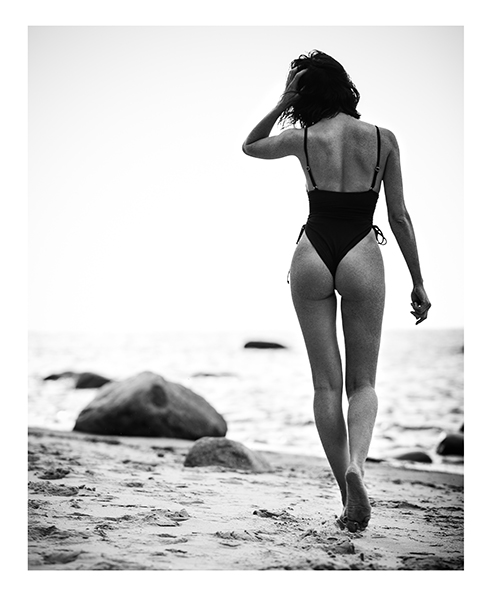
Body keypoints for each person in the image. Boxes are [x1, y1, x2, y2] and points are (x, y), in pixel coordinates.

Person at [242, 50, 431, 533]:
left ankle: (348, 498)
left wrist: (284, 98)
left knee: (325, 386)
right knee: (362, 385)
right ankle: (358, 468)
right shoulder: (383, 139)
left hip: (312, 252)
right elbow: (399, 217)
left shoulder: (303, 139)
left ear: (306, 95)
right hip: (361, 251)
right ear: (344, 86)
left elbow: (250, 145)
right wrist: (417, 280)